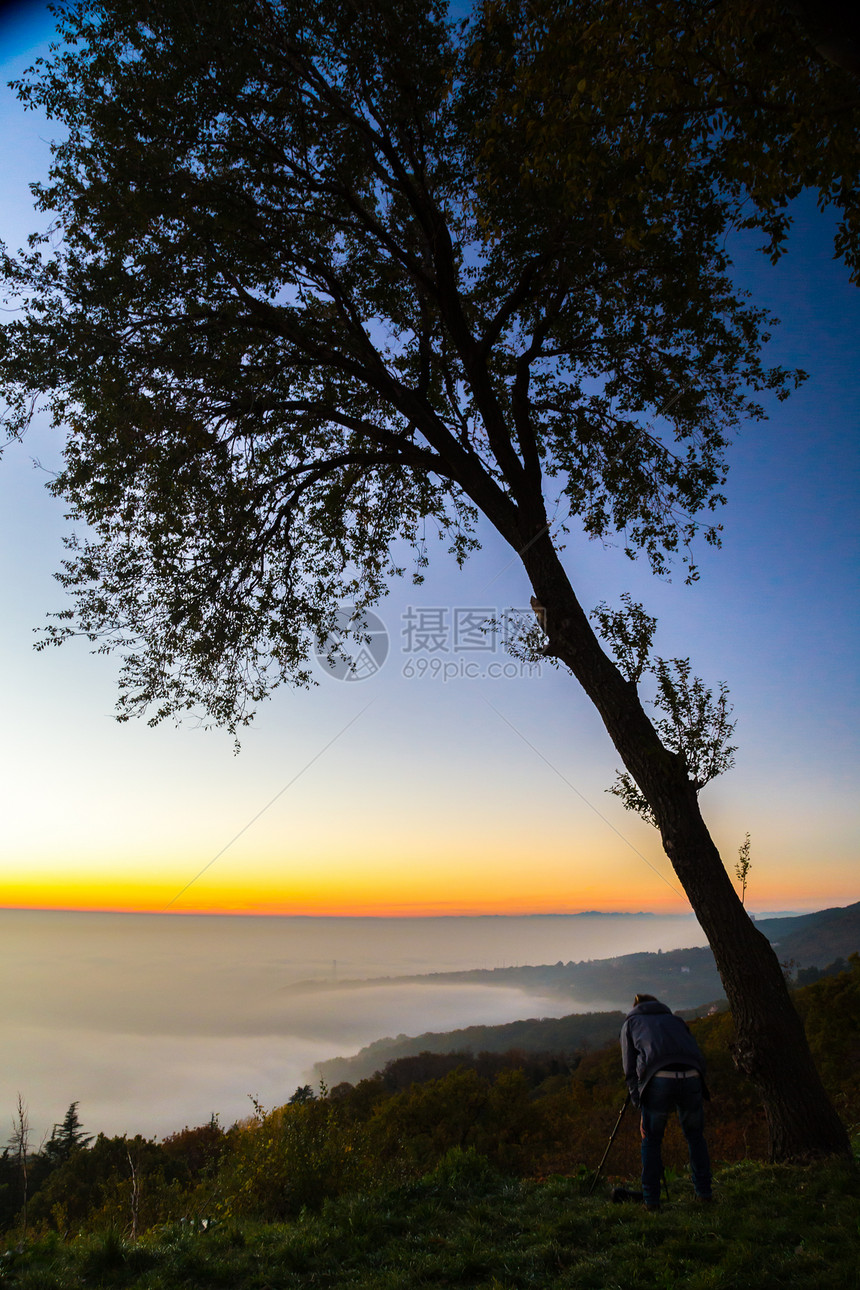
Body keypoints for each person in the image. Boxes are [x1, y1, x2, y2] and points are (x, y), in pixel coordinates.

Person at [620, 993, 712, 1211]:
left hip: (657, 1078)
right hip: (692, 1075)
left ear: (636, 1006)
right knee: (695, 1137)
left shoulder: (631, 1023)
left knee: (651, 1140)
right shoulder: (676, 1020)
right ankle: (704, 1193)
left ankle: (651, 1201)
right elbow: (696, 1053)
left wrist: (638, 1100)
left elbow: (629, 1067)